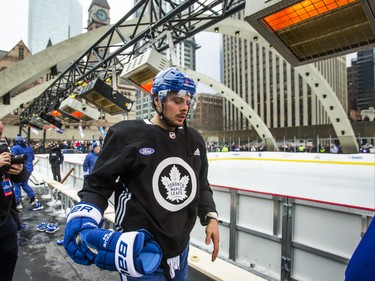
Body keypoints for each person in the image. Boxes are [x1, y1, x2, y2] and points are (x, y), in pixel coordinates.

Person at [63, 67, 220, 280]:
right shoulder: (127, 135)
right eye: (177, 101)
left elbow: (201, 184)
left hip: (181, 248)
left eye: (188, 101)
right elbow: (99, 183)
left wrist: (210, 216)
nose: (185, 108)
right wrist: (85, 215)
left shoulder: (194, 140)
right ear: (157, 100)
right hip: (140, 248)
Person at [0, 121, 28, 281]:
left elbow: (19, 179)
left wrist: (20, 171)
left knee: (9, 260)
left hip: (7, 219)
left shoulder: (3, 151)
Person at [11, 135, 43, 211]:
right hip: (29, 168)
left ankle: (18, 201)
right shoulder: (29, 148)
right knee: (24, 184)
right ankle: (33, 199)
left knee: (17, 184)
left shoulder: (15, 148)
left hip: (21, 170)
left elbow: (13, 159)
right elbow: (33, 157)